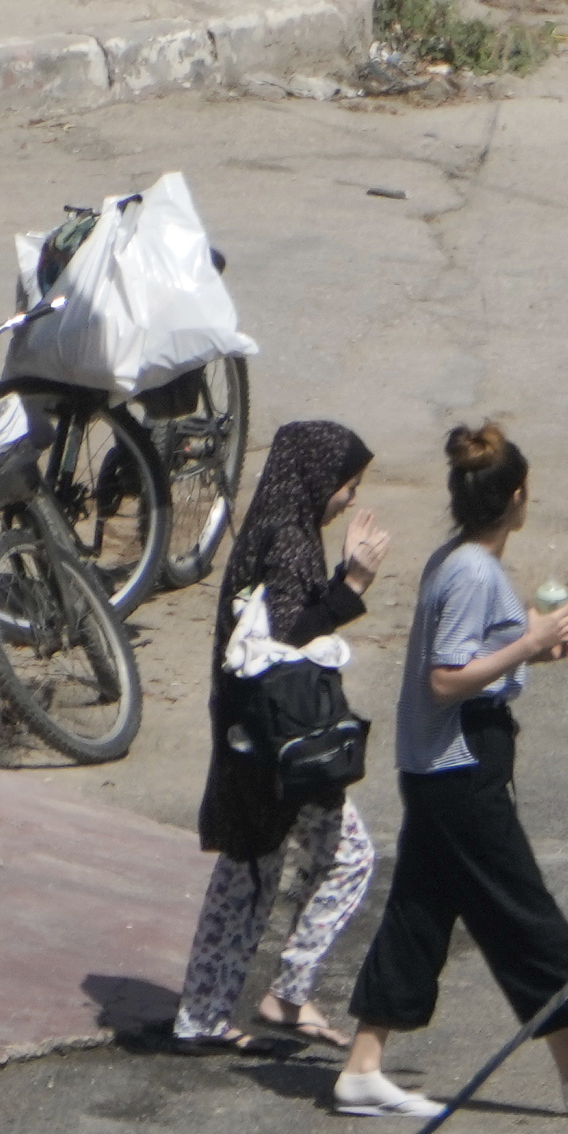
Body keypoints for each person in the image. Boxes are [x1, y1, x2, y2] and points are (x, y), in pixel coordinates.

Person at [330, 421, 568, 1121]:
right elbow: (447, 679)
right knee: (523, 912)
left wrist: (536, 648)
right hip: (459, 769)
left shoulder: (455, 560)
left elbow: (477, 659)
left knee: (419, 914)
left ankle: (363, 1067)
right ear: (517, 497)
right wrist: (532, 642)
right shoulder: (472, 570)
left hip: (435, 767)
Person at [172, 422, 387, 1049]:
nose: (347, 498)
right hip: (287, 742)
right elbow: (291, 635)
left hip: (249, 733)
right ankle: (289, 991)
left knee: (248, 872)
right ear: (316, 480)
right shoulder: (292, 541)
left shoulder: (266, 528)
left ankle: (202, 1016)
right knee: (350, 859)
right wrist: (352, 585)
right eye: (346, 485)